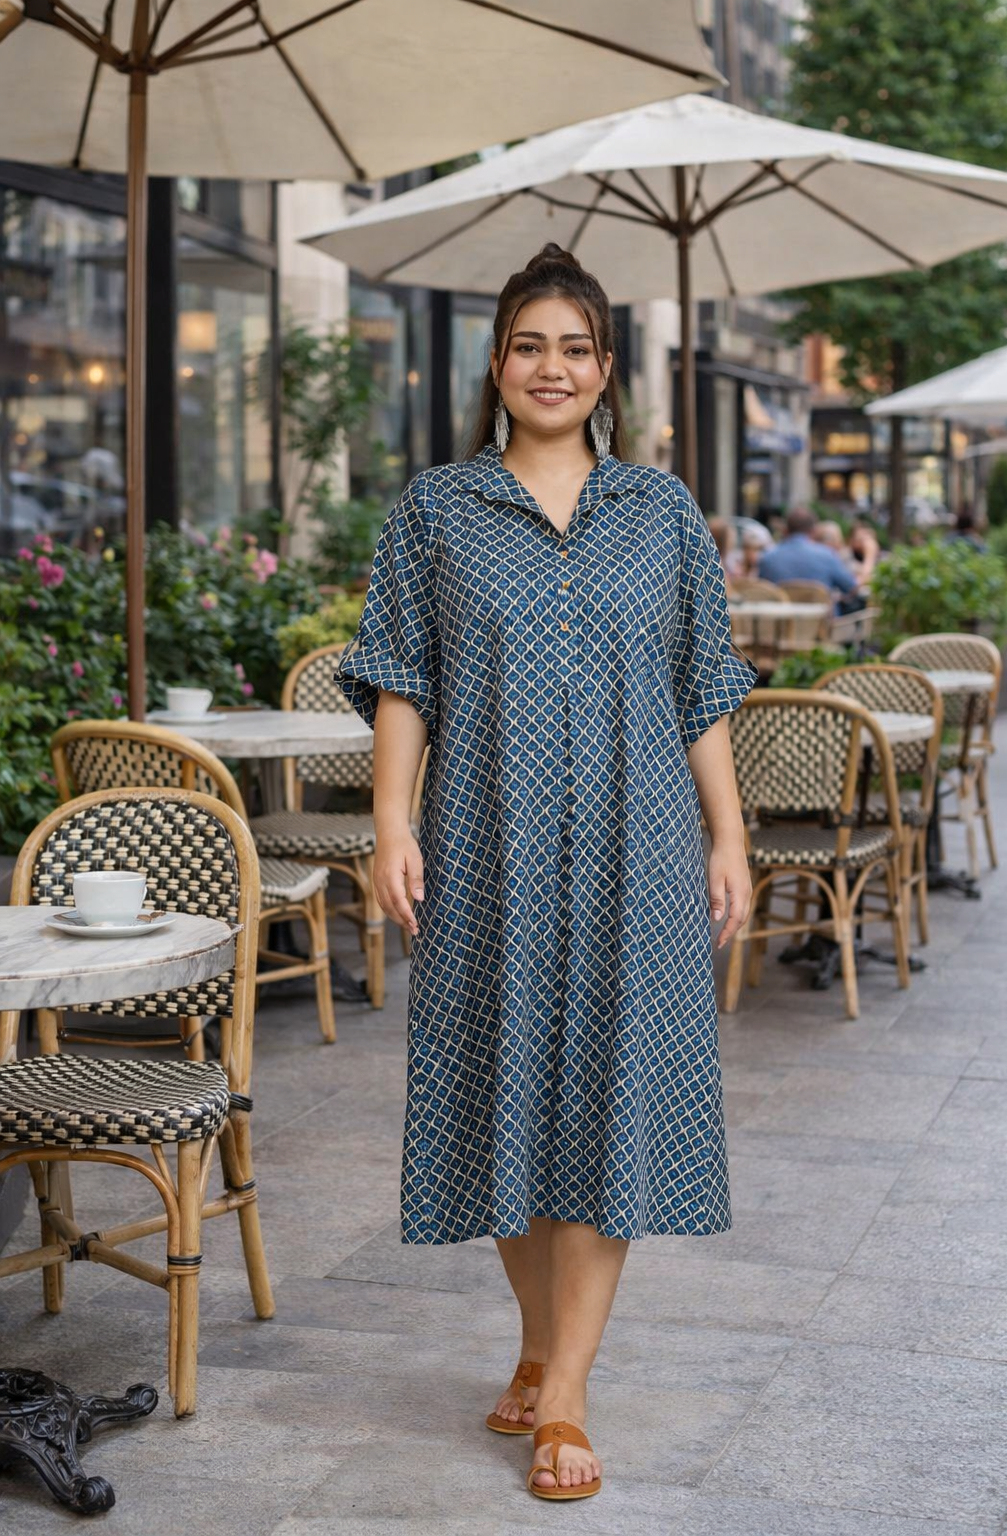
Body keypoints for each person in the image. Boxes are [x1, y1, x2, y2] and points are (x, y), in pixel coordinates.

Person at [335, 244, 756, 1505]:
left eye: (576, 347)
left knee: (614, 1098)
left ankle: (566, 1393)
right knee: (501, 1094)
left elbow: (702, 688)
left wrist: (727, 835)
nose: (552, 367)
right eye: (530, 345)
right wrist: (391, 825)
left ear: (607, 370)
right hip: (485, 845)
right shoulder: (434, 510)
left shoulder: (663, 512)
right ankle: (534, 1339)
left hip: (639, 848)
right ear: (497, 367)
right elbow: (402, 674)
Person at [759, 506, 859, 603]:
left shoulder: (767, 557)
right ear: (814, 530)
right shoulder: (826, 555)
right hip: (821, 619)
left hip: (780, 619)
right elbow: (851, 588)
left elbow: (762, 592)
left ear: (786, 530)